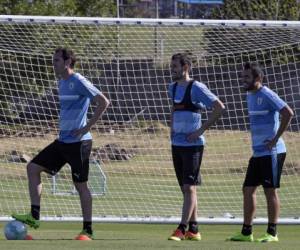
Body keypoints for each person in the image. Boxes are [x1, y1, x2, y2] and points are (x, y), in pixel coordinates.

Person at [12, 47, 110, 240]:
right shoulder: (61, 82)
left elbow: (104, 102)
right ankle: (34, 216)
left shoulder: (79, 81)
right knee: (32, 168)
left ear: (67, 63)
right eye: (53, 59)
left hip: (79, 143)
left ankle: (87, 230)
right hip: (63, 141)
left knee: (80, 185)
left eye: (56, 60)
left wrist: (86, 127)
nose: (53, 63)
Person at [227, 62, 294, 243]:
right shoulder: (250, 95)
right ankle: (246, 232)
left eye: (247, 77)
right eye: (242, 77)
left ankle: (272, 233)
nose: (243, 80)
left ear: (258, 79)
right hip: (257, 153)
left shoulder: (267, 94)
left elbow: (288, 113)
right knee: (248, 189)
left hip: (272, 152)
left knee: (269, 191)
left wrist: (274, 139)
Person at [167, 53, 225, 241]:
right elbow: (174, 110)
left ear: (186, 68)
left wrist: (200, 131)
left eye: (175, 66)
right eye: (171, 65)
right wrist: (171, 130)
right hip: (176, 144)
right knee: (186, 189)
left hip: (193, 146)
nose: (172, 69)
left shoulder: (197, 87)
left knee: (189, 187)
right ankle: (194, 229)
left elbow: (219, 107)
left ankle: (181, 228)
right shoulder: (172, 87)